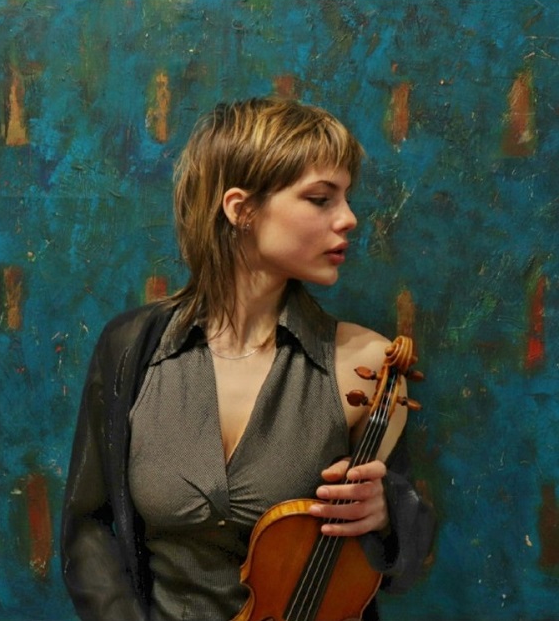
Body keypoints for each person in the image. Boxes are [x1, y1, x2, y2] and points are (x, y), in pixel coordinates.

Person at [61, 97, 435, 621]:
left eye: (346, 198)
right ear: (240, 209)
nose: (349, 219)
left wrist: (386, 516)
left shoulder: (364, 363)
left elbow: (408, 559)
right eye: (321, 199)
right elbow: (89, 530)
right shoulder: (131, 348)